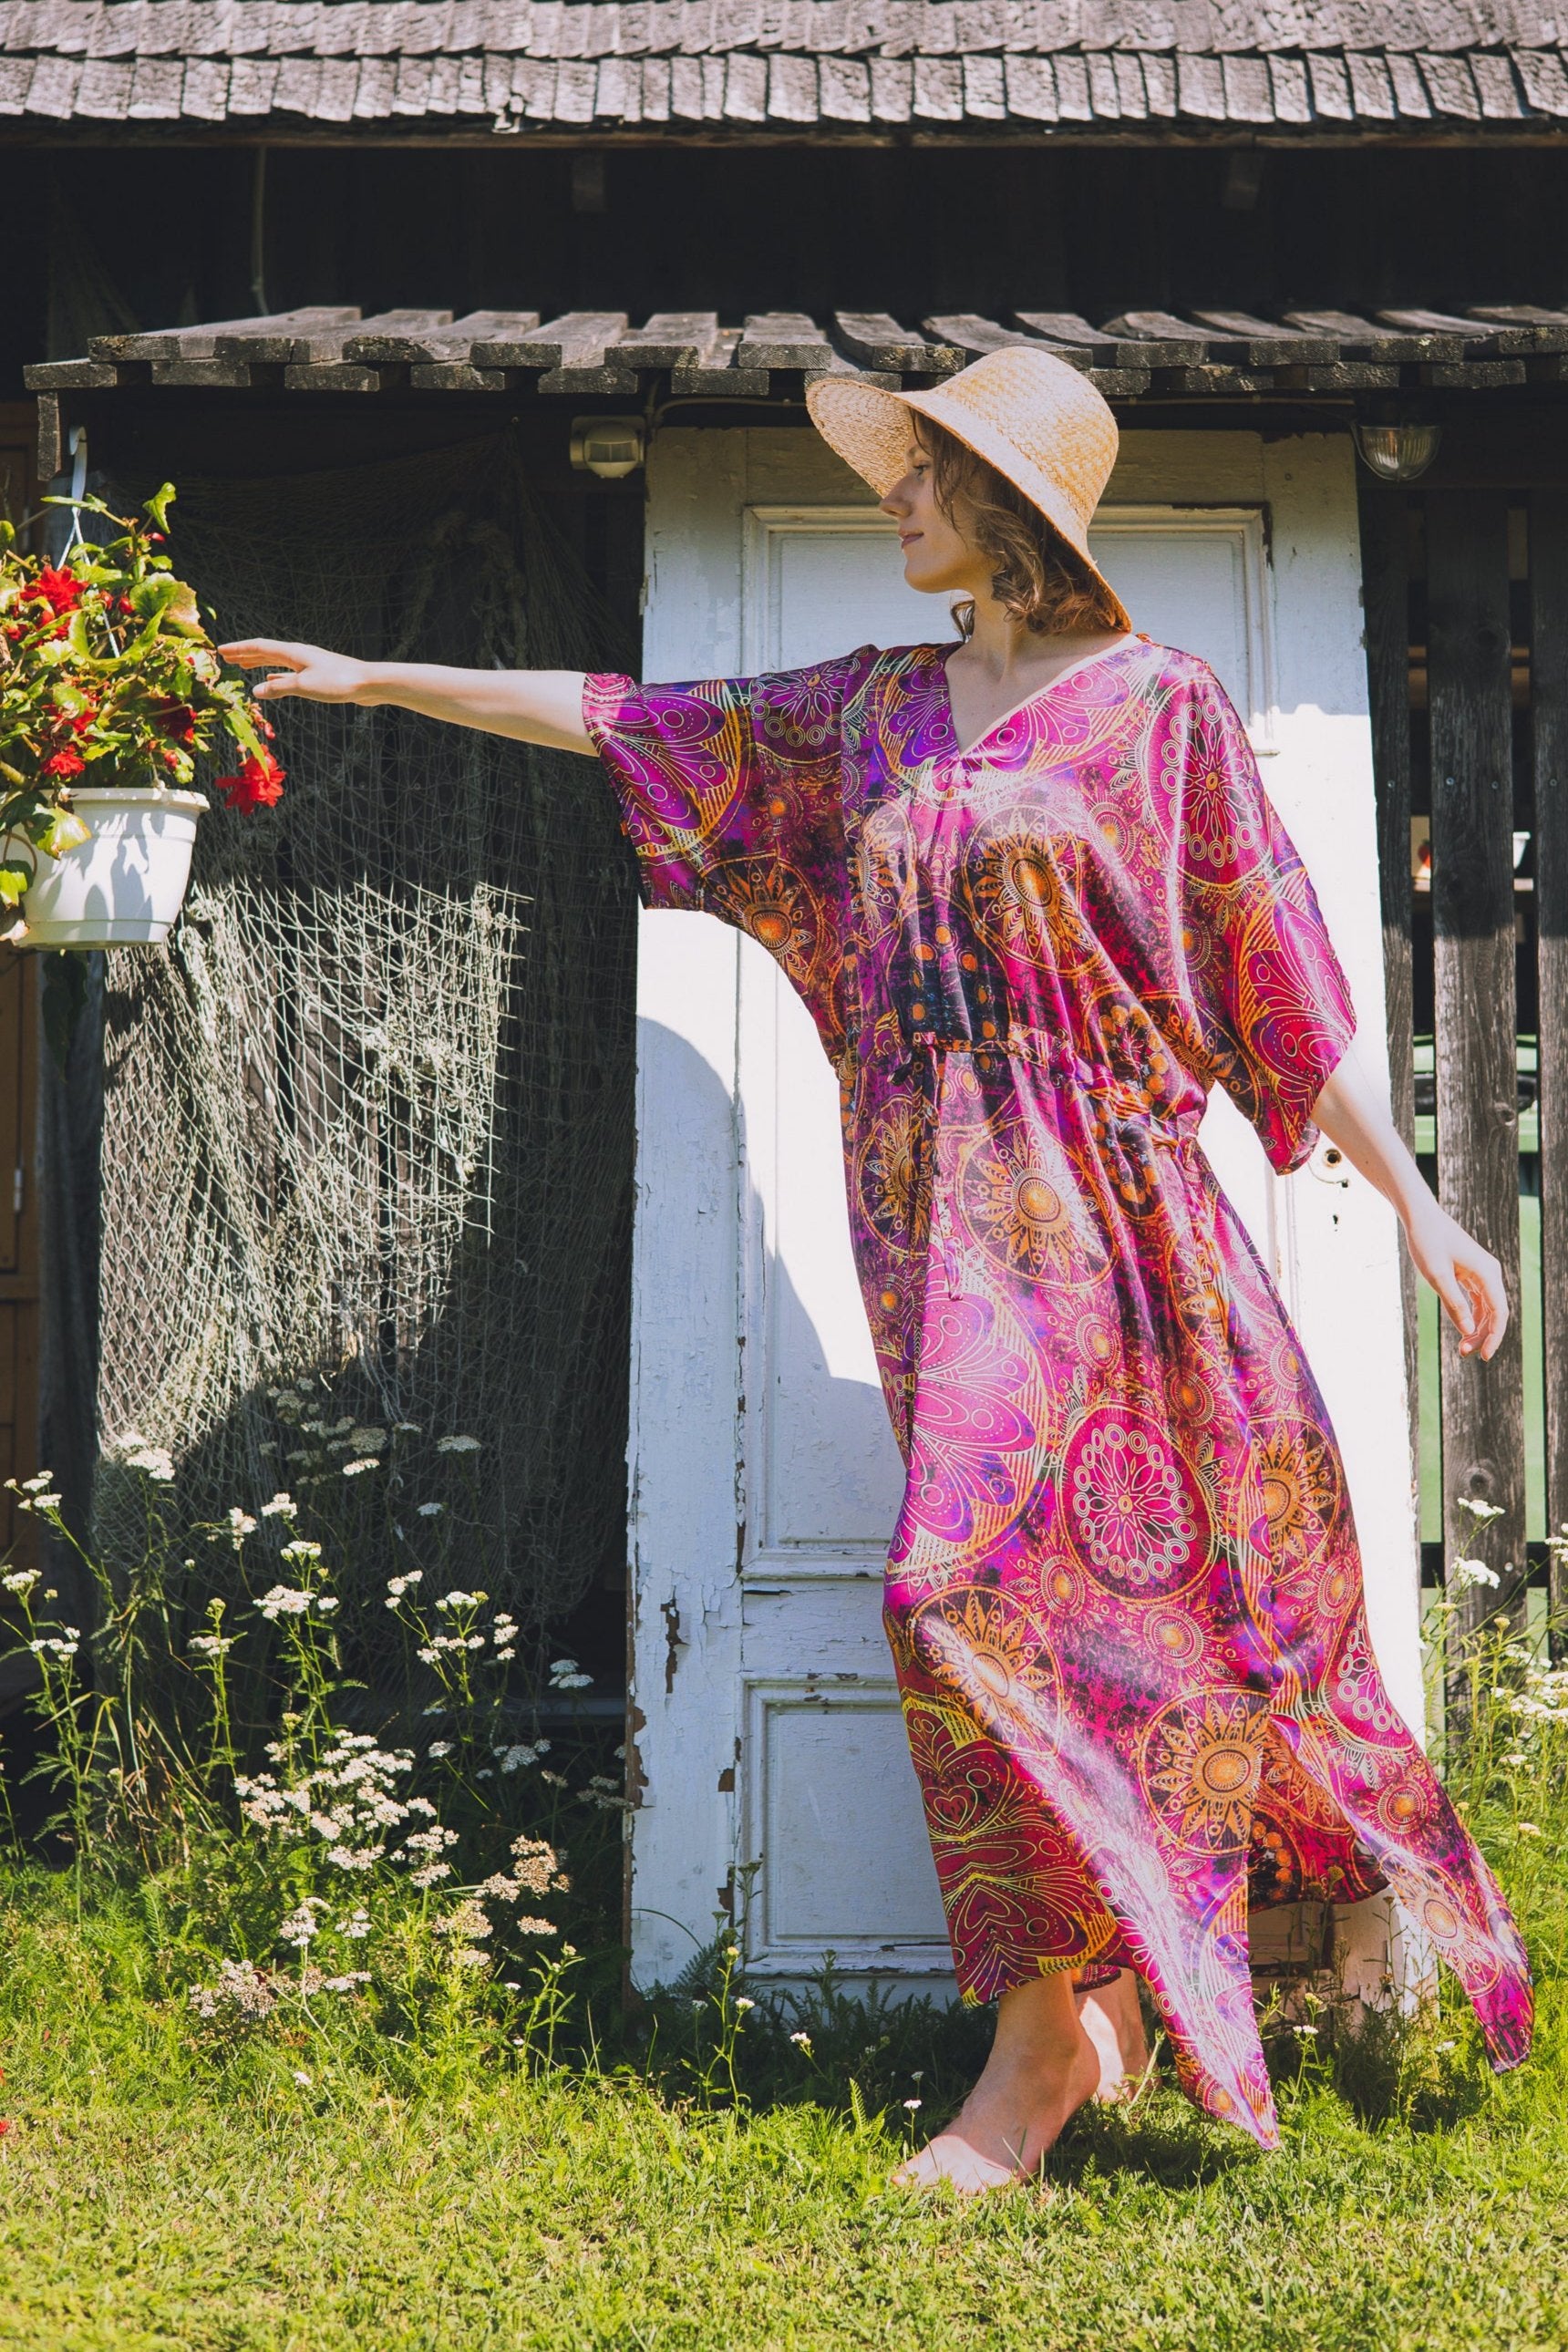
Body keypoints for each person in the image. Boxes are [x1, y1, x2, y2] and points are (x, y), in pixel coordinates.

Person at [222, 345, 1532, 2194]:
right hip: (938, 1250)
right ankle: (1104, 2003)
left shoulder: (1156, 708)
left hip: (1127, 1239)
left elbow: (1274, 979)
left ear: (1001, 505)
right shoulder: (864, 718)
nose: (892, 504)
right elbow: (617, 715)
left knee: (972, 1598)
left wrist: (1418, 1203)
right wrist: (375, 681)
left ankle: (1032, 2065)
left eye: (920, 477)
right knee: (1010, 1615)